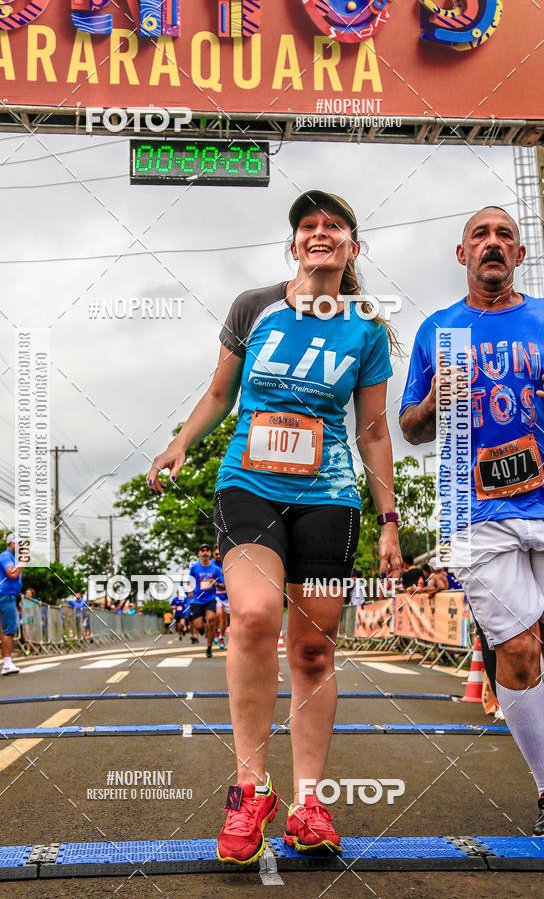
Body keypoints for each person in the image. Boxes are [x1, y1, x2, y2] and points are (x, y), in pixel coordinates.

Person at [148, 190, 402, 864]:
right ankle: (249, 789)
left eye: (334, 226)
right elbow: (219, 392)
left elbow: (374, 431)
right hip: (248, 486)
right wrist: (180, 444)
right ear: (294, 244)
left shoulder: (368, 328)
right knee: (255, 616)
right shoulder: (253, 307)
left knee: (314, 651)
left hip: (329, 499)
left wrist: (389, 522)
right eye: (307, 226)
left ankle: (310, 801)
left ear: (351, 247)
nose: (320, 233)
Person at [400, 206, 544, 835]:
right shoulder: (439, 330)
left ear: (518, 255)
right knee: (517, 653)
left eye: (504, 236)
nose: (493, 244)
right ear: (463, 256)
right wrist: (438, 397)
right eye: (480, 236)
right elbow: (409, 428)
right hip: (476, 513)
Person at [0, 533, 25, 675]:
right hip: (4, 596)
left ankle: (7, 662)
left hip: (8, 596)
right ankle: (6, 663)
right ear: (10, 544)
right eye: (17, 543)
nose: (20, 546)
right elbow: (12, 573)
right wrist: (23, 562)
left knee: (10, 629)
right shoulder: (6, 556)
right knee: (9, 629)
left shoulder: (11, 557)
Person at [188, 543, 221, 658]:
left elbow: (224, 585)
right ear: (199, 553)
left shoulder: (216, 569)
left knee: (211, 620)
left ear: (210, 553)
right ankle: (201, 629)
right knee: (198, 626)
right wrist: (190, 590)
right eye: (203, 551)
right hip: (197, 600)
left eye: (207, 551)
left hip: (210, 599)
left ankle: (209, 648)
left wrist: (215, 583)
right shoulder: (194, 567)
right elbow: (190, 580)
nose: (205, 553)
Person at [213, 545, 230, 649]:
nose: (218, 556)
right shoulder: (210, 565)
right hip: (215, 595)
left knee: (224, 620)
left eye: (220, 554)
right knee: (218, 614)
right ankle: (216, 631)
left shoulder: (227, 563)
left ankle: (221, 637)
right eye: (216, 554)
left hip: (227, 595)